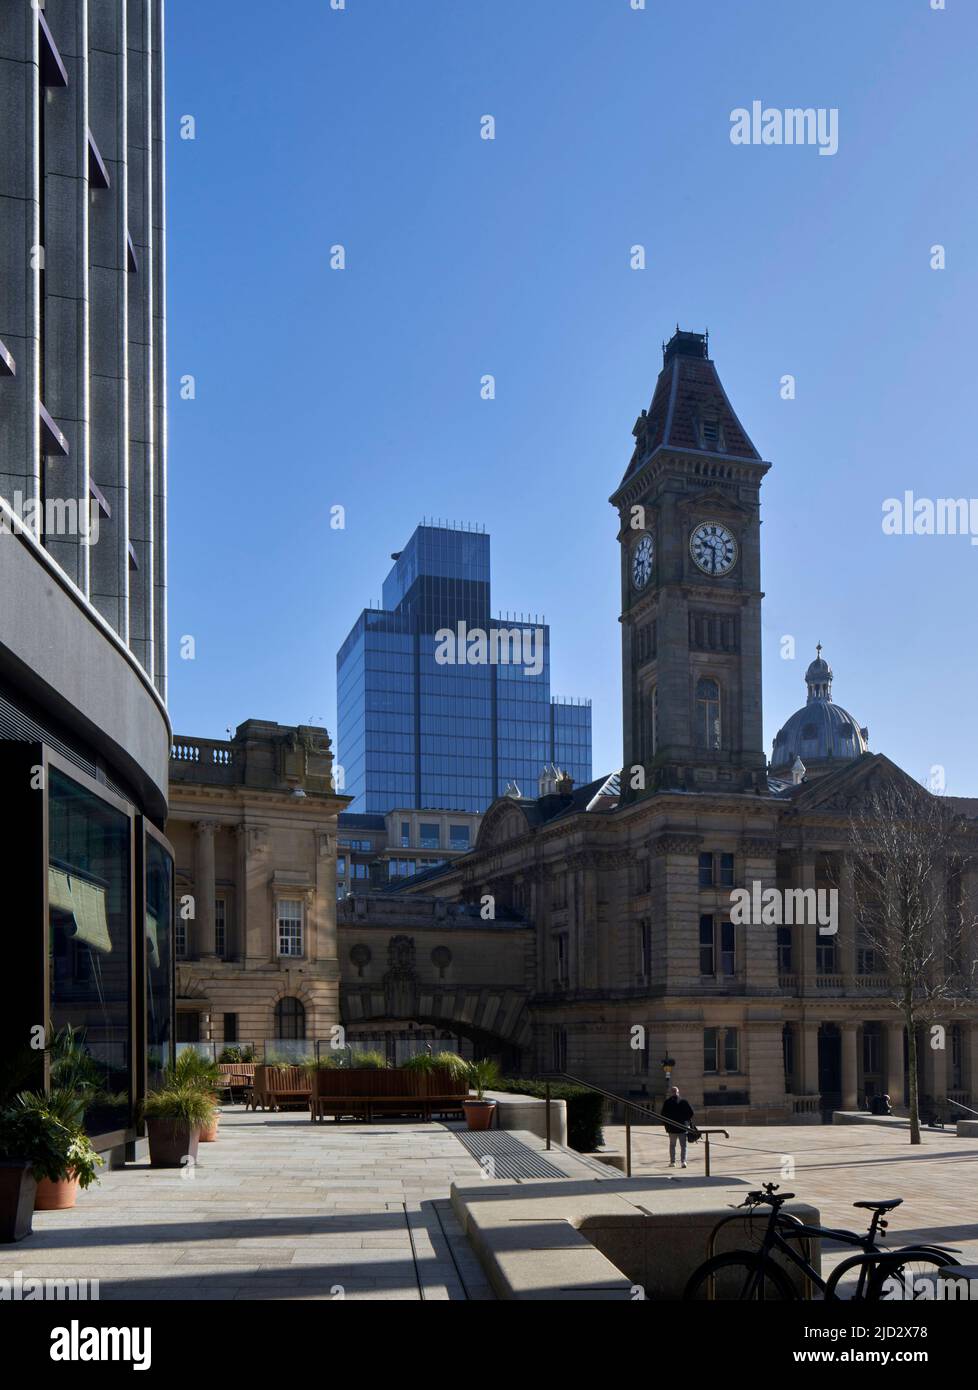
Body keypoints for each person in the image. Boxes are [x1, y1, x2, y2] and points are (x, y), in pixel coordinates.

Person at [661, 1085, 694, 1168]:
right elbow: (691, 1113)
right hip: (682, 1127)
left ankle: (672, 1162)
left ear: (671, 1093)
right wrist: (686, 1121)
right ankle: (683, 1162)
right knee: (683, 1146)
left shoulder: (667, 1102)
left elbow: (662, 1115)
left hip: (671, 1128)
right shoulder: (683, 1101)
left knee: (672, 1145)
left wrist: (667, 1125)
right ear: (678, 1092)